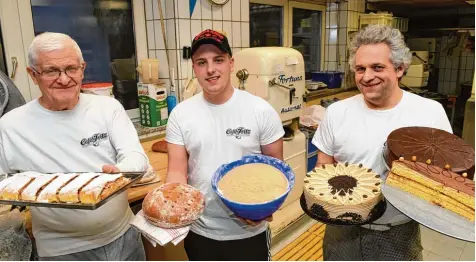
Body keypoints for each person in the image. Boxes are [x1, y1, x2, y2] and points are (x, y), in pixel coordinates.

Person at [0, 32, 148, 260]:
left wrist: (121, 173)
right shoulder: (10, 126)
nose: (64, 78)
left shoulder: (108, 108)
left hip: (125, 236)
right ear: (32, 74)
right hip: (63, 251)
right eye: (51, 71)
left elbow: (135, 156)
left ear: (82, 68)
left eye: (71, 68)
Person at [312, 24, 452, 261]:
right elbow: (323, 166)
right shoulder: (337, 112)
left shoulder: (429, 112)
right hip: (341, 228)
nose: (367, 77)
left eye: (377, 67)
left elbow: (444, 176)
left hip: (397, 231)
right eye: (360, 69)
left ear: (399, 68)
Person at [165, 29, 285, 261]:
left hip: (248, 230)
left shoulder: (260, 110)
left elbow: (276, 171)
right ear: (194, 68)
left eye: (218, 60)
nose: (210, 69)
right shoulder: (181, 114)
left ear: (231, 63)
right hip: (200, 229)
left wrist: (267, 209)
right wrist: (171, 208)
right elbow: (176, 172)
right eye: (202, 62)